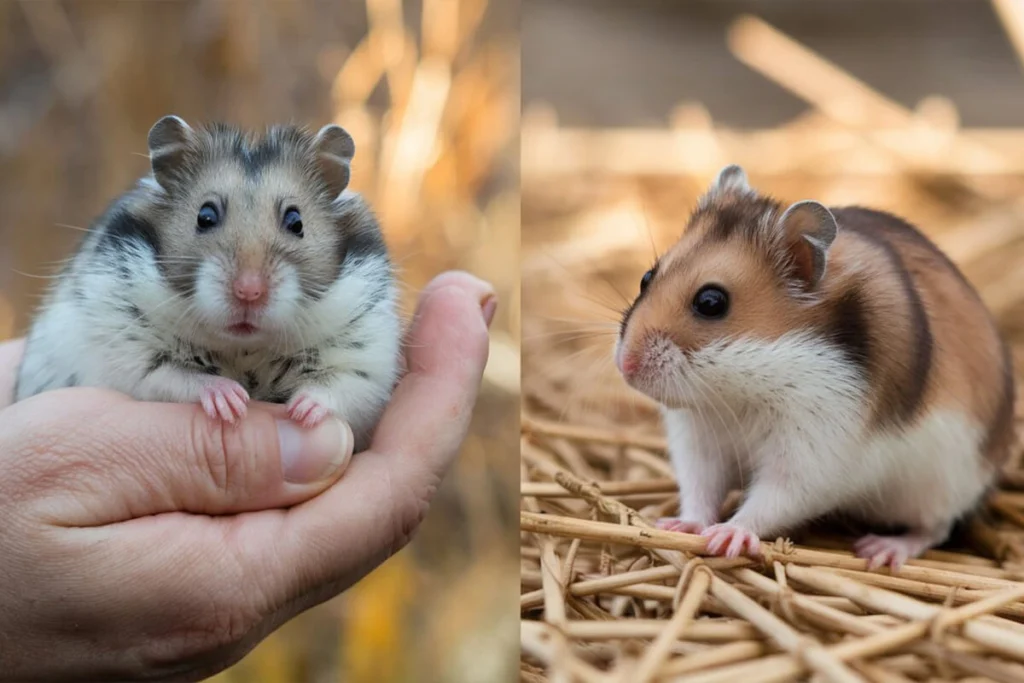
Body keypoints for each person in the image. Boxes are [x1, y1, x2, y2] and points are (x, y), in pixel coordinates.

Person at [0, 271, 495, 682]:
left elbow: (364, 380)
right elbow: (115, 348)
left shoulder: (357, 301)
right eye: (210, 218)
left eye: (294, 225)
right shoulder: (122, 295)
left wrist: (329, 397)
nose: (250, 287)